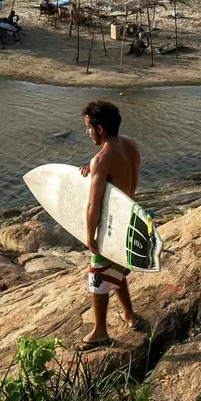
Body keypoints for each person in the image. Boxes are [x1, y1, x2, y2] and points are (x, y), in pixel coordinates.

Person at [77, 100, 143, 349]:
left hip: (111, 225)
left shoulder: (102, 159)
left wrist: (89, 235)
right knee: (115, 268)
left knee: (98, 276)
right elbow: (118, 173)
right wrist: (93, 170)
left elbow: (93, 206)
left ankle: (100, 332)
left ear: (100, 129)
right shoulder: (129, 144)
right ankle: (129, 314)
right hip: (128, 217)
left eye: (88, 128)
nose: (87, 132)